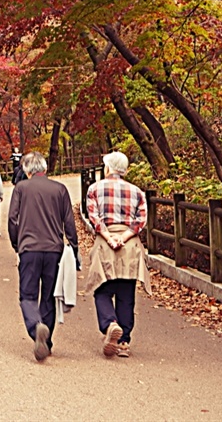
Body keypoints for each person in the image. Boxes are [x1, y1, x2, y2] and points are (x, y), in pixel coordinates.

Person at [7, 151, 78, 362]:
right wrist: (72, 248)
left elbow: (13, 219)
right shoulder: (60, 189)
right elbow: (69, 222)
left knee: (28, 295)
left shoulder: (21, 188)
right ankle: (46, 342)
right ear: (45, 169)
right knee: (49, 296)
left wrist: (16, 244)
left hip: (29, 248)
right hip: (54, 250)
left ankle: (36, 327)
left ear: (27, 170)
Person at [83, 151, 151, 359]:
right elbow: (141, 220)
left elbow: (94, 217)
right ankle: (123, 342)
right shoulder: (137, 191)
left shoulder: (95, 189)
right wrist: (124, 236)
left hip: (106, 243)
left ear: (108, 168)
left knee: (102, 289)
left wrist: (110, 237)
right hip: (129, 245)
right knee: (126, 293)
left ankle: (110, 323)